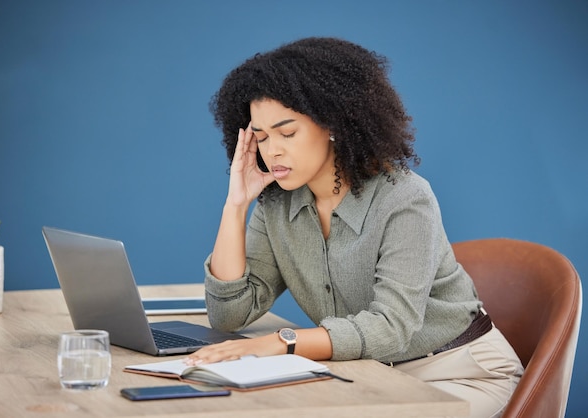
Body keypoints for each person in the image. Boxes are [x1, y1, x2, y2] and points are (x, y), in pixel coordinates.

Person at [185, 37, 523, 417]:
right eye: (261, 138)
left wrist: (283, 342)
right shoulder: (277, 202)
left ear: (332, 124)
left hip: (460, 375)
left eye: (287, 132)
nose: (272, 150)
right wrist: (236, 204)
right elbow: (230, 316)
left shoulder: (406, 197)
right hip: (369, 376)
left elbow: (391, 327)